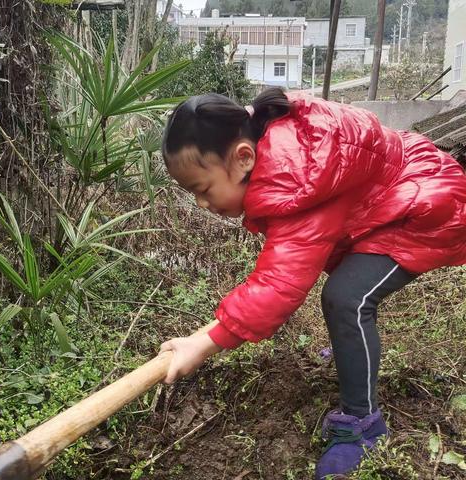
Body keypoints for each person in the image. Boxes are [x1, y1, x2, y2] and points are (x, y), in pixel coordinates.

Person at [159, 88, 466, 478]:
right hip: (394, 197)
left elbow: (278, 287)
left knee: (348, 298)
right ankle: (350, 353)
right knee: (345, 292)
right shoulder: (277, 144)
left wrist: (203, 345)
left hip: (423, 211)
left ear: (242, 157)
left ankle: (363, 426)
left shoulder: (297, 176)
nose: (203, 203)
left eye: (202, 189)